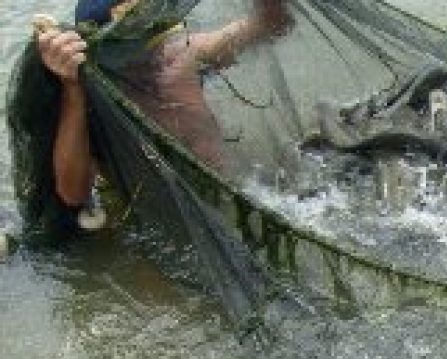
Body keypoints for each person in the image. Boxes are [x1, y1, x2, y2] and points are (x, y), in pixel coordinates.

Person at [35, 0, 291, 215]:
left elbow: (273, 23)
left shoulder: (185, 54)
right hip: (168, 214)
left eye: (155, 38)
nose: (156, 54)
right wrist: (72, 89)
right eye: (135, 49)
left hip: (236, 190)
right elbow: (73, 193)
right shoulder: (95, 101)